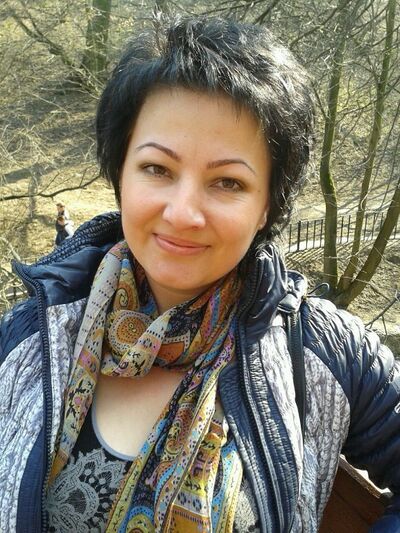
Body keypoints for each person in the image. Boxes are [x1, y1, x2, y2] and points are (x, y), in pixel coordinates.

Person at [0, 16, 399, 533]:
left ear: (267, 206)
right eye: (157, 169)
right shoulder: (29, 338)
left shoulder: (325, 351)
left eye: (228, 182)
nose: (183, 212)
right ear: (120, 173)